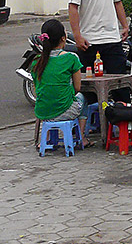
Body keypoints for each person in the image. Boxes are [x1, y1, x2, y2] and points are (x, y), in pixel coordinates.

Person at [32, 19, 90, 148]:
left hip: (42, 112)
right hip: (63, 110)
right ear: (63, 38)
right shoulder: (71, 58)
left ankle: (45, 138)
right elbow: (77, 87)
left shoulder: (36, 61)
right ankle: (81, 137)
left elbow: (38, 90)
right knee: (83, 98)